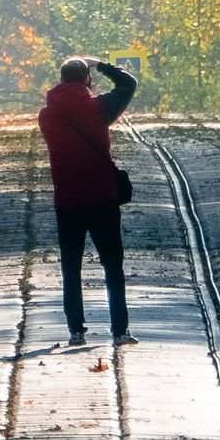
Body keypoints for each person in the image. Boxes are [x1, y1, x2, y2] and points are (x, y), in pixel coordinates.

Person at [37, 52, 138, 348]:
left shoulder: (47, 115)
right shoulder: (99, 108)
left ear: (60, 80)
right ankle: (119, 331)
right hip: (102, 198)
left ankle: (76, 332)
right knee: (112, 266)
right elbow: (128, 83)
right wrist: (98, 63)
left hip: (67, 200)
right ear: (88, 80)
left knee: (71, 267)